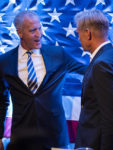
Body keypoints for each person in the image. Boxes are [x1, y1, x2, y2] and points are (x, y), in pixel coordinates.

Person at [0, 10, 87, 150]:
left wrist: (105, 56)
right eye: (33, 30)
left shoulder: (58, 54)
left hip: (55, 139)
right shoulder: (4, 62)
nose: (39, 34)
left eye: (40, 28)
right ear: (20, 33)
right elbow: (1, 102)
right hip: (22, 140)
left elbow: (87, 70)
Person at [74, 9, 113, 150]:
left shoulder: (101, 64)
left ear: (88, 33)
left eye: (78, 33)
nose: (78, 38)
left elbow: (111, 119)